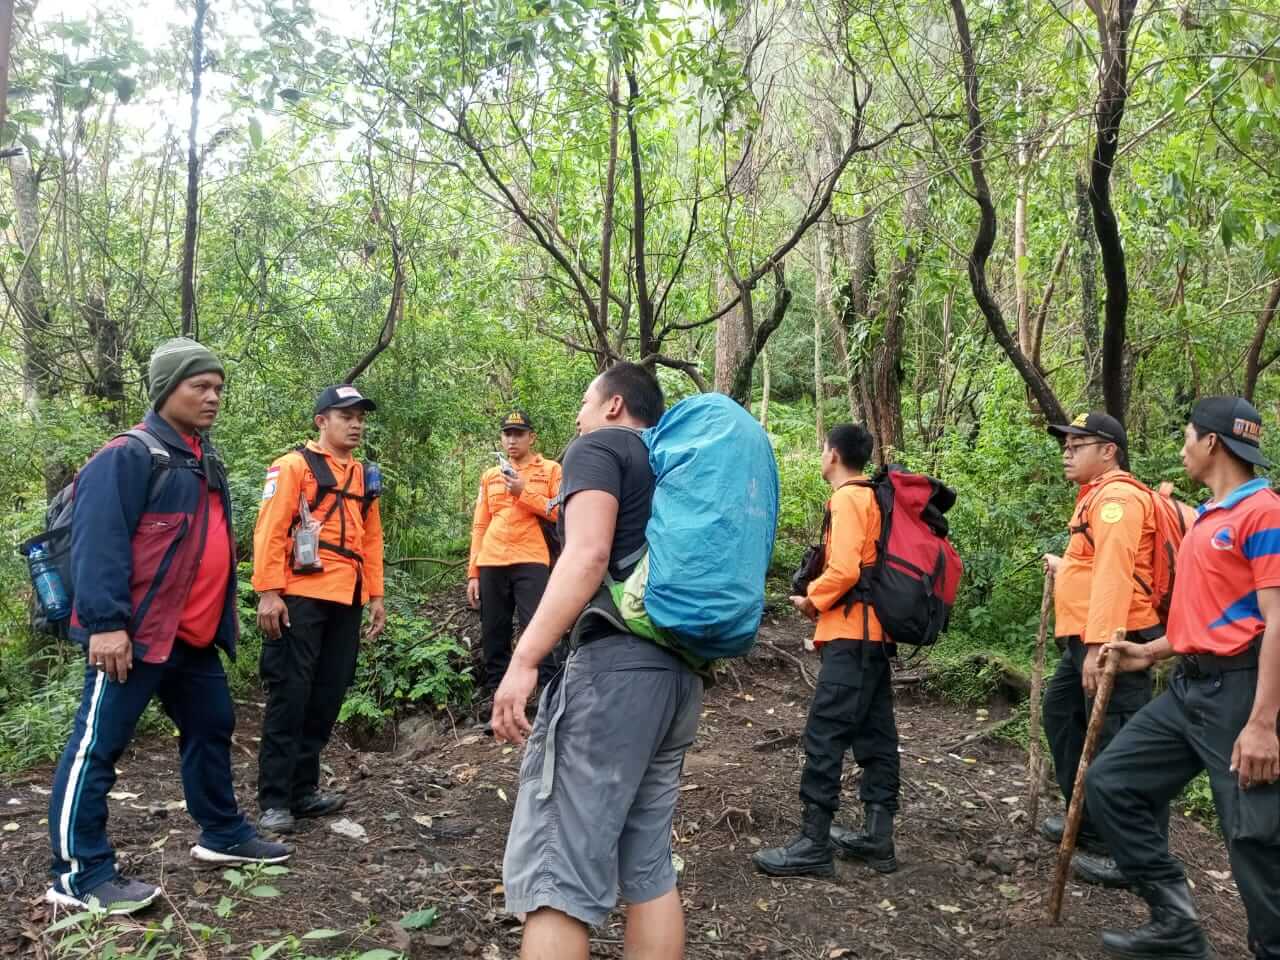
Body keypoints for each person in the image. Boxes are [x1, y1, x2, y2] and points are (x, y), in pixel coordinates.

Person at [46, 338, 290, 915]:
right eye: (199, 386)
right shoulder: (128, 455)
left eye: (218, 388)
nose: (212, 397)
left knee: (212, 726)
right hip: (134, 636)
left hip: (193, 637)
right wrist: (107, 625)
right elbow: (98, 543)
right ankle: (78, 872)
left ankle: (222, 834)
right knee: (97, 746)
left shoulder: (203, 458)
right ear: (165, 390)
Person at [493, 363, 702, 960]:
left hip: (616, 674)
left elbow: (587, 555)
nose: (578, 416)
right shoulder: (670, 466)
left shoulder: (600, 447)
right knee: (649, 866)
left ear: (613, 405)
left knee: (557, 872)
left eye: (585, 402)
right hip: (678, 676)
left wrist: (525, 657)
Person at [1087, 397, 1280, 960]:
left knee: (1255, 839)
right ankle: (1175, 918)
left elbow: (1275, 622)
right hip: (1188, 688)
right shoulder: (1210, 516)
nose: (1182, 448)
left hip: (1241, 693)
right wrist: (1150, 652)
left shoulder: (1262, 513)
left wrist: (1264, 723)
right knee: (1111, 784)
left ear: (1212, 443)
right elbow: (1211, 615)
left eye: (1187, 436)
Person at [754, 423, 900, 878]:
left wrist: (811, 599)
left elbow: (845, 569)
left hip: (852, 636)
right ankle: (878, 837)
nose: (822, 456)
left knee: (824, 733)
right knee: (876, 735)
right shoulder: (872, 497)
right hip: (874, 636)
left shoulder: (849, 497)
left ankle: (814, 842)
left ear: (833, 455)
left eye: (822, 450)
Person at [252, 385, 387, 835]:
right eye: (345, 415)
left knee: (328, 694)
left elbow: (371, 539)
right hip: (300, 596)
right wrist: (269, 592)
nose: (356, 423)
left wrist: (376, 596)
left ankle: (303, 790)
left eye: (360, 417)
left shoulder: (365, 475)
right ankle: (274, 799)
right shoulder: (293, 467)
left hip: (346, 597)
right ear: (321, 421)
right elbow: (270, 530)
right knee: (290, 693)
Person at [1040, 412, 1166, 887]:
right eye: (1066, 445)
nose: (1067, 452)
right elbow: (1096, 565)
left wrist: (1100, 645)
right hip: (1085, 640)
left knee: (1123, 744)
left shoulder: (1117, 499)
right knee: (1061, 716)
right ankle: (1091, 821)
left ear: (1108, 450)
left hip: (1118, 640)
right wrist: (1064, 566)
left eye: (1078, 444)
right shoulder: (1095, 497)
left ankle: (1136, 856)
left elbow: (1115, 575)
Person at [467, 409, 562, 721]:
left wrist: (524, 493)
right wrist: (474, 572)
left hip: (531, 559)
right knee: (494, 631)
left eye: (519, 434)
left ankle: (549, 700)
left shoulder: (550, 470)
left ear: (531, 437)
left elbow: (559, 511)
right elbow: (480, 525)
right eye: (507, 434)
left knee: (538, 626)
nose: (512, 439)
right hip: (492, 560)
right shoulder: (490, 476)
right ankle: (498, 703)